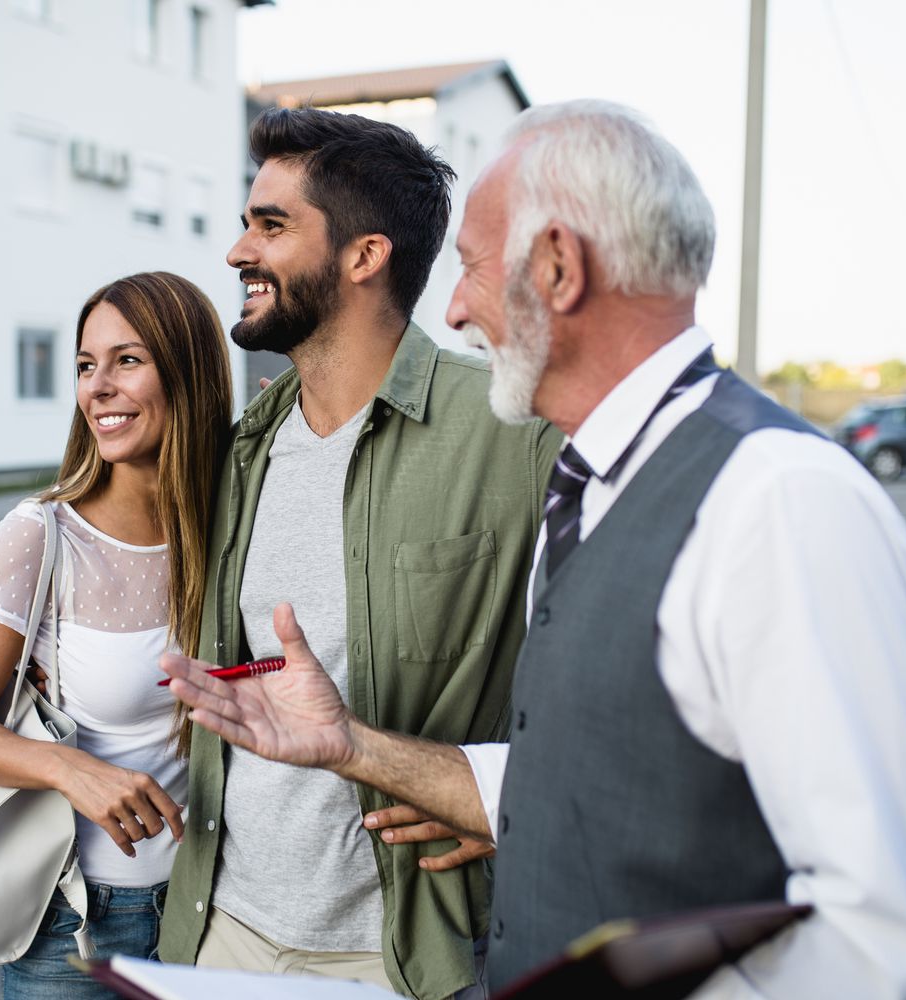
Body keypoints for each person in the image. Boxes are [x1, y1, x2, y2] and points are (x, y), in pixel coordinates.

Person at [162, 100, 906, 997]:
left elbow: (884, 945)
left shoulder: (779, 497)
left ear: (557, 266)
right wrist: (357, 748)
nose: (456, 309)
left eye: (469, 269)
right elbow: (610, 775)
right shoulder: (599, 480)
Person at [156, 108, 559, 1000]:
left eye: (270, 225)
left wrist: (507, 805)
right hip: (222, 931)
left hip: (403, 958)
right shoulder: (245, 448)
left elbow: (614, 678)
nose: (236, 252)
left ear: (364, 255)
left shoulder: (510, 432)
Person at [0, 272, 233, 999]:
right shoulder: (41, 534)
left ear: (188, 374)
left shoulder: (231, 525)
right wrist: (71, 769)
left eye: (127, 360)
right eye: (86, 365)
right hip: (83, 925)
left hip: (214, 909)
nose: (98, 387)